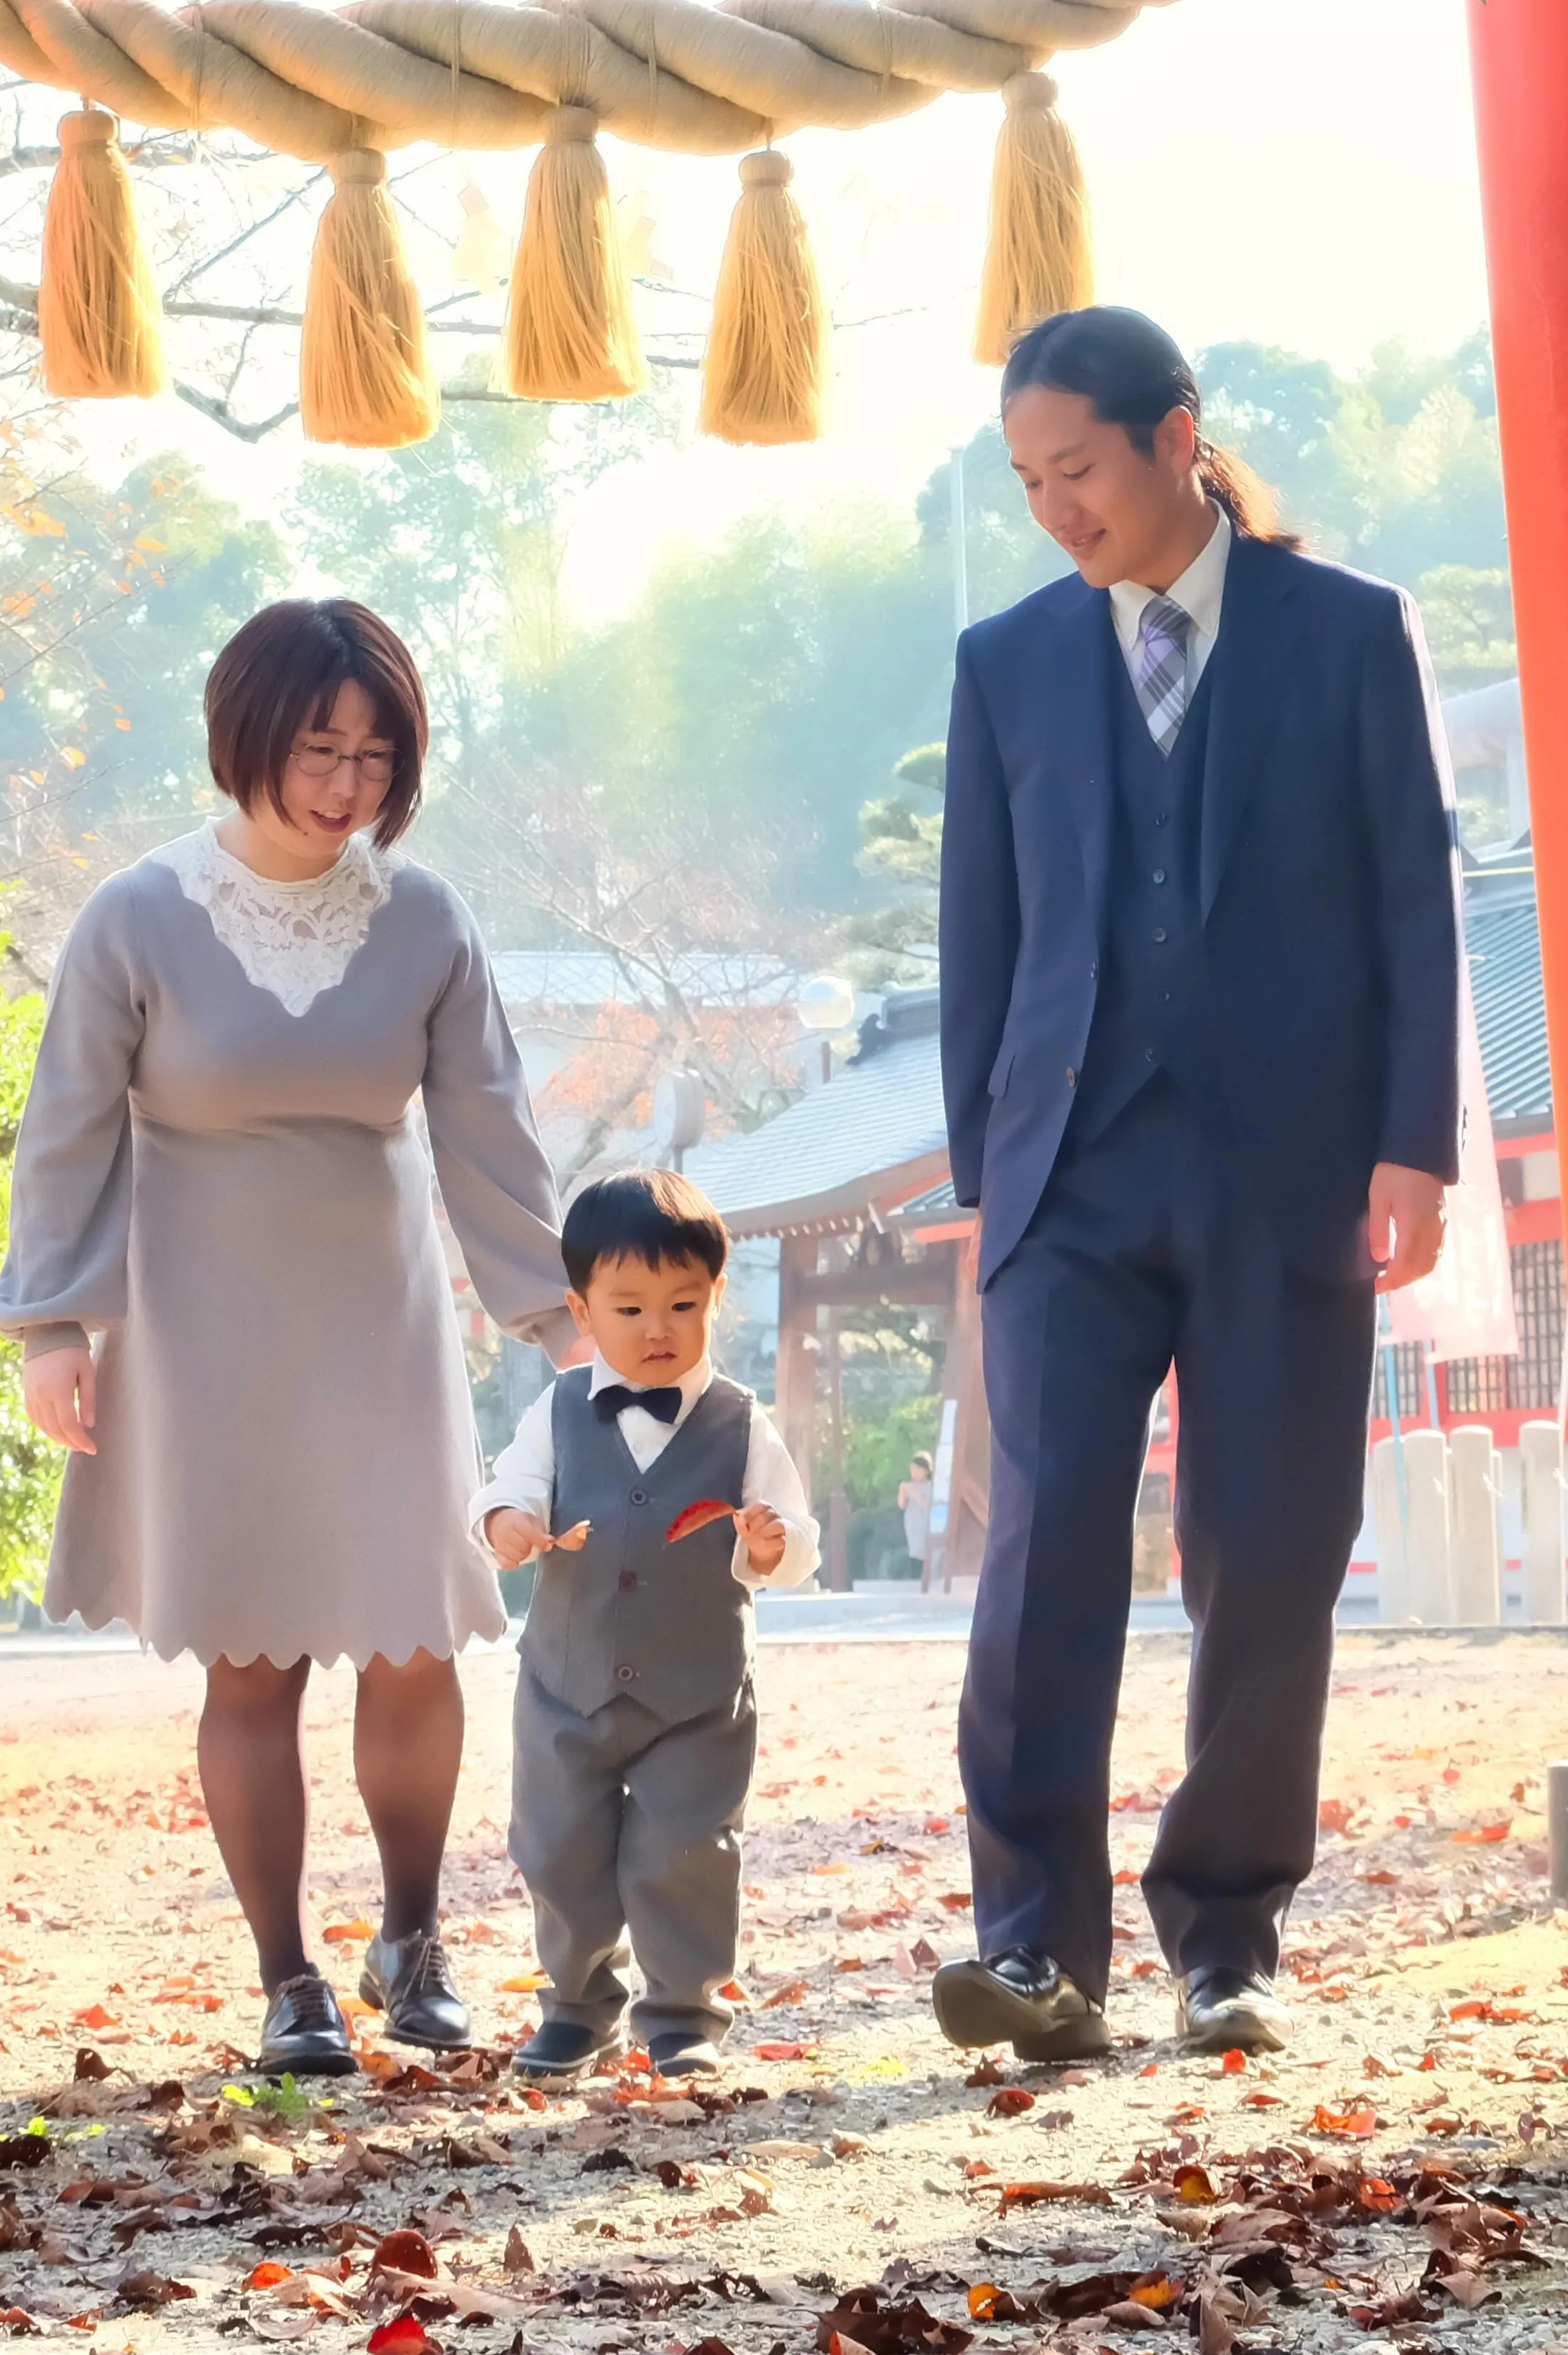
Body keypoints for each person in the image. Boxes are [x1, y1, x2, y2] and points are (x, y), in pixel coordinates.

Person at [935, 308, 1458, 2065]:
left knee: (1269, 1547)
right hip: (1067, 1175)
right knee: (1044, 1544)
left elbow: (1411, 901)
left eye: (1073, 468)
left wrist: (1416, 1141)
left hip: (1291, 1166)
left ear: (1175, 437)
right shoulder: (1006, 662)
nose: (1051, 508)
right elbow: (980, 945)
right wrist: (983, 1189)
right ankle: (1031, 1950)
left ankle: (1224, 1933)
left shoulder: (1349, 632)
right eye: (1024, 480)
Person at [0, 596, 573, 2083]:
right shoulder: (137, 913)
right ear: (244, 733)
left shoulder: (426, 919)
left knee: (414, 1639)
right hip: (196, 1322)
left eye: (375, 756)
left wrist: (566, 1326)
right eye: (319, 746)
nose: (345, 783)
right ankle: (285, 1976)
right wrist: (53, 1322)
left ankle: (412, 1938)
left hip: (378, 1313)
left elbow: (490, 1137)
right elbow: (63, 1132)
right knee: (251, 1662)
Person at [476, 1167, 820, 2081]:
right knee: (558, 1850)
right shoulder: (555, 1410)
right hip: (565, 1686)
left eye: (682, 1303)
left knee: (686, 1852)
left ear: (717, 1300)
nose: (657, 1329)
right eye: (628, 1308)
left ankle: (681, 2015)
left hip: (695, 1694)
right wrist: (508, 1525)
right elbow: (508, 1487)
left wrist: (768, 1542)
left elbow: (795, 1547)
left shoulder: (743, 1423)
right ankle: (579, 2005)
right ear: (581, 1312)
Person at [898, 1450, 935, 1584]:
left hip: (925, 1525)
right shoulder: (910, 1486)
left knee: (922, 1552)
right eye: (912, 1469)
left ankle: (921, 1579)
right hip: (912, 1524)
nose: (914, 1472)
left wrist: (913, 1493)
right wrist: (903, 1491)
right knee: (914, 1550)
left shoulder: (931, 1486)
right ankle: (915, 1578)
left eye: (917, 1469)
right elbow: (902, 1505)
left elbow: (927, 1505)